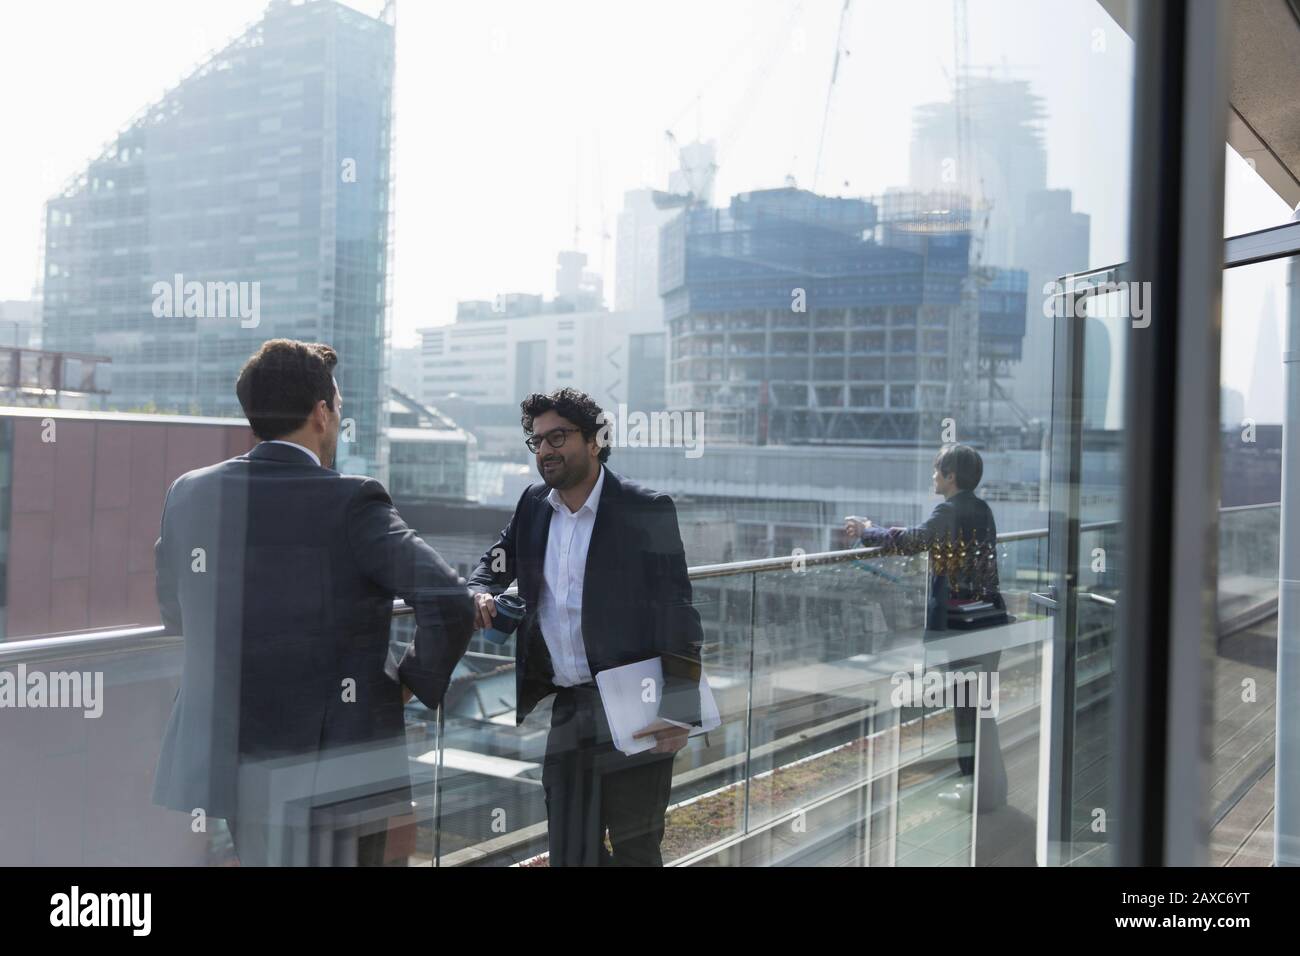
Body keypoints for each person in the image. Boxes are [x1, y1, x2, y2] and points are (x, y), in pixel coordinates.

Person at [152, 339, 474, 865]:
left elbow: (174, 611)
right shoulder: (352, 500)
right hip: (340, 768)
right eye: (339, 407)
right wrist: (408, 685)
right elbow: (451, 601)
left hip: (236, 755)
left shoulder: (188, 492)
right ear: (322, 414)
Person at [468, 387, 703, 866]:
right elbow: (493, 565)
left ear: (595, 440)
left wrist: (679, 708)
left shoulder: (645, 508)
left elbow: (677, 608)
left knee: (636, 848)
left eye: (559, 436)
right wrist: (479, 592)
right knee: (571, 852)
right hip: (569, 708)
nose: (547, 450)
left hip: (636, 703)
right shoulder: (533, 505)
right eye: (538, 441)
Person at [844, 443, 1008, 810]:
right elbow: (926, 535)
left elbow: (910, 541)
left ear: (950, 476)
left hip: (964, 628)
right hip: (989, 621)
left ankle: (976, 793)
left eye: (937, 471)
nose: (933, 476)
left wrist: (868, 530)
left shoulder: (950, 510)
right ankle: (992, 790)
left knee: (968, 711)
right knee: (980, 709)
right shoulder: (981, 509)